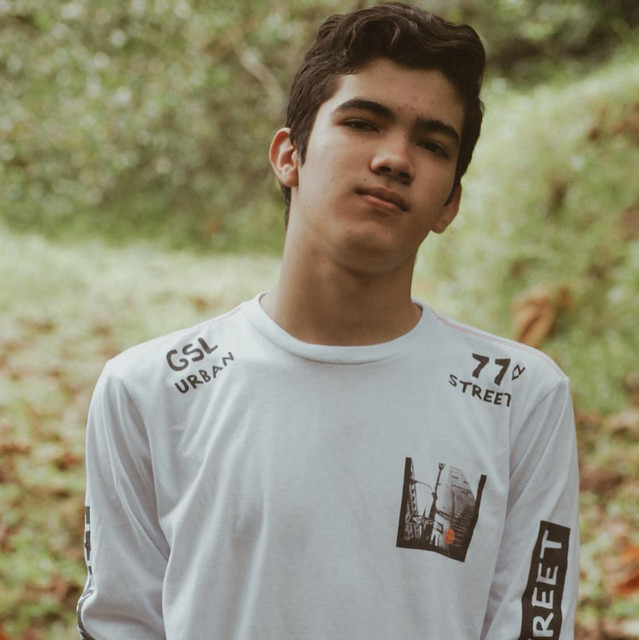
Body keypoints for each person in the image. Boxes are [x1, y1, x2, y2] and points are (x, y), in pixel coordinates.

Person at [77, 3, 579, 639]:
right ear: (290, 156)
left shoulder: (521, 398)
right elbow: (121, 622)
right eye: (363, 123)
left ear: (449, 203)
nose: (395, 159)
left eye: (432, 144)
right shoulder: (148, 389)